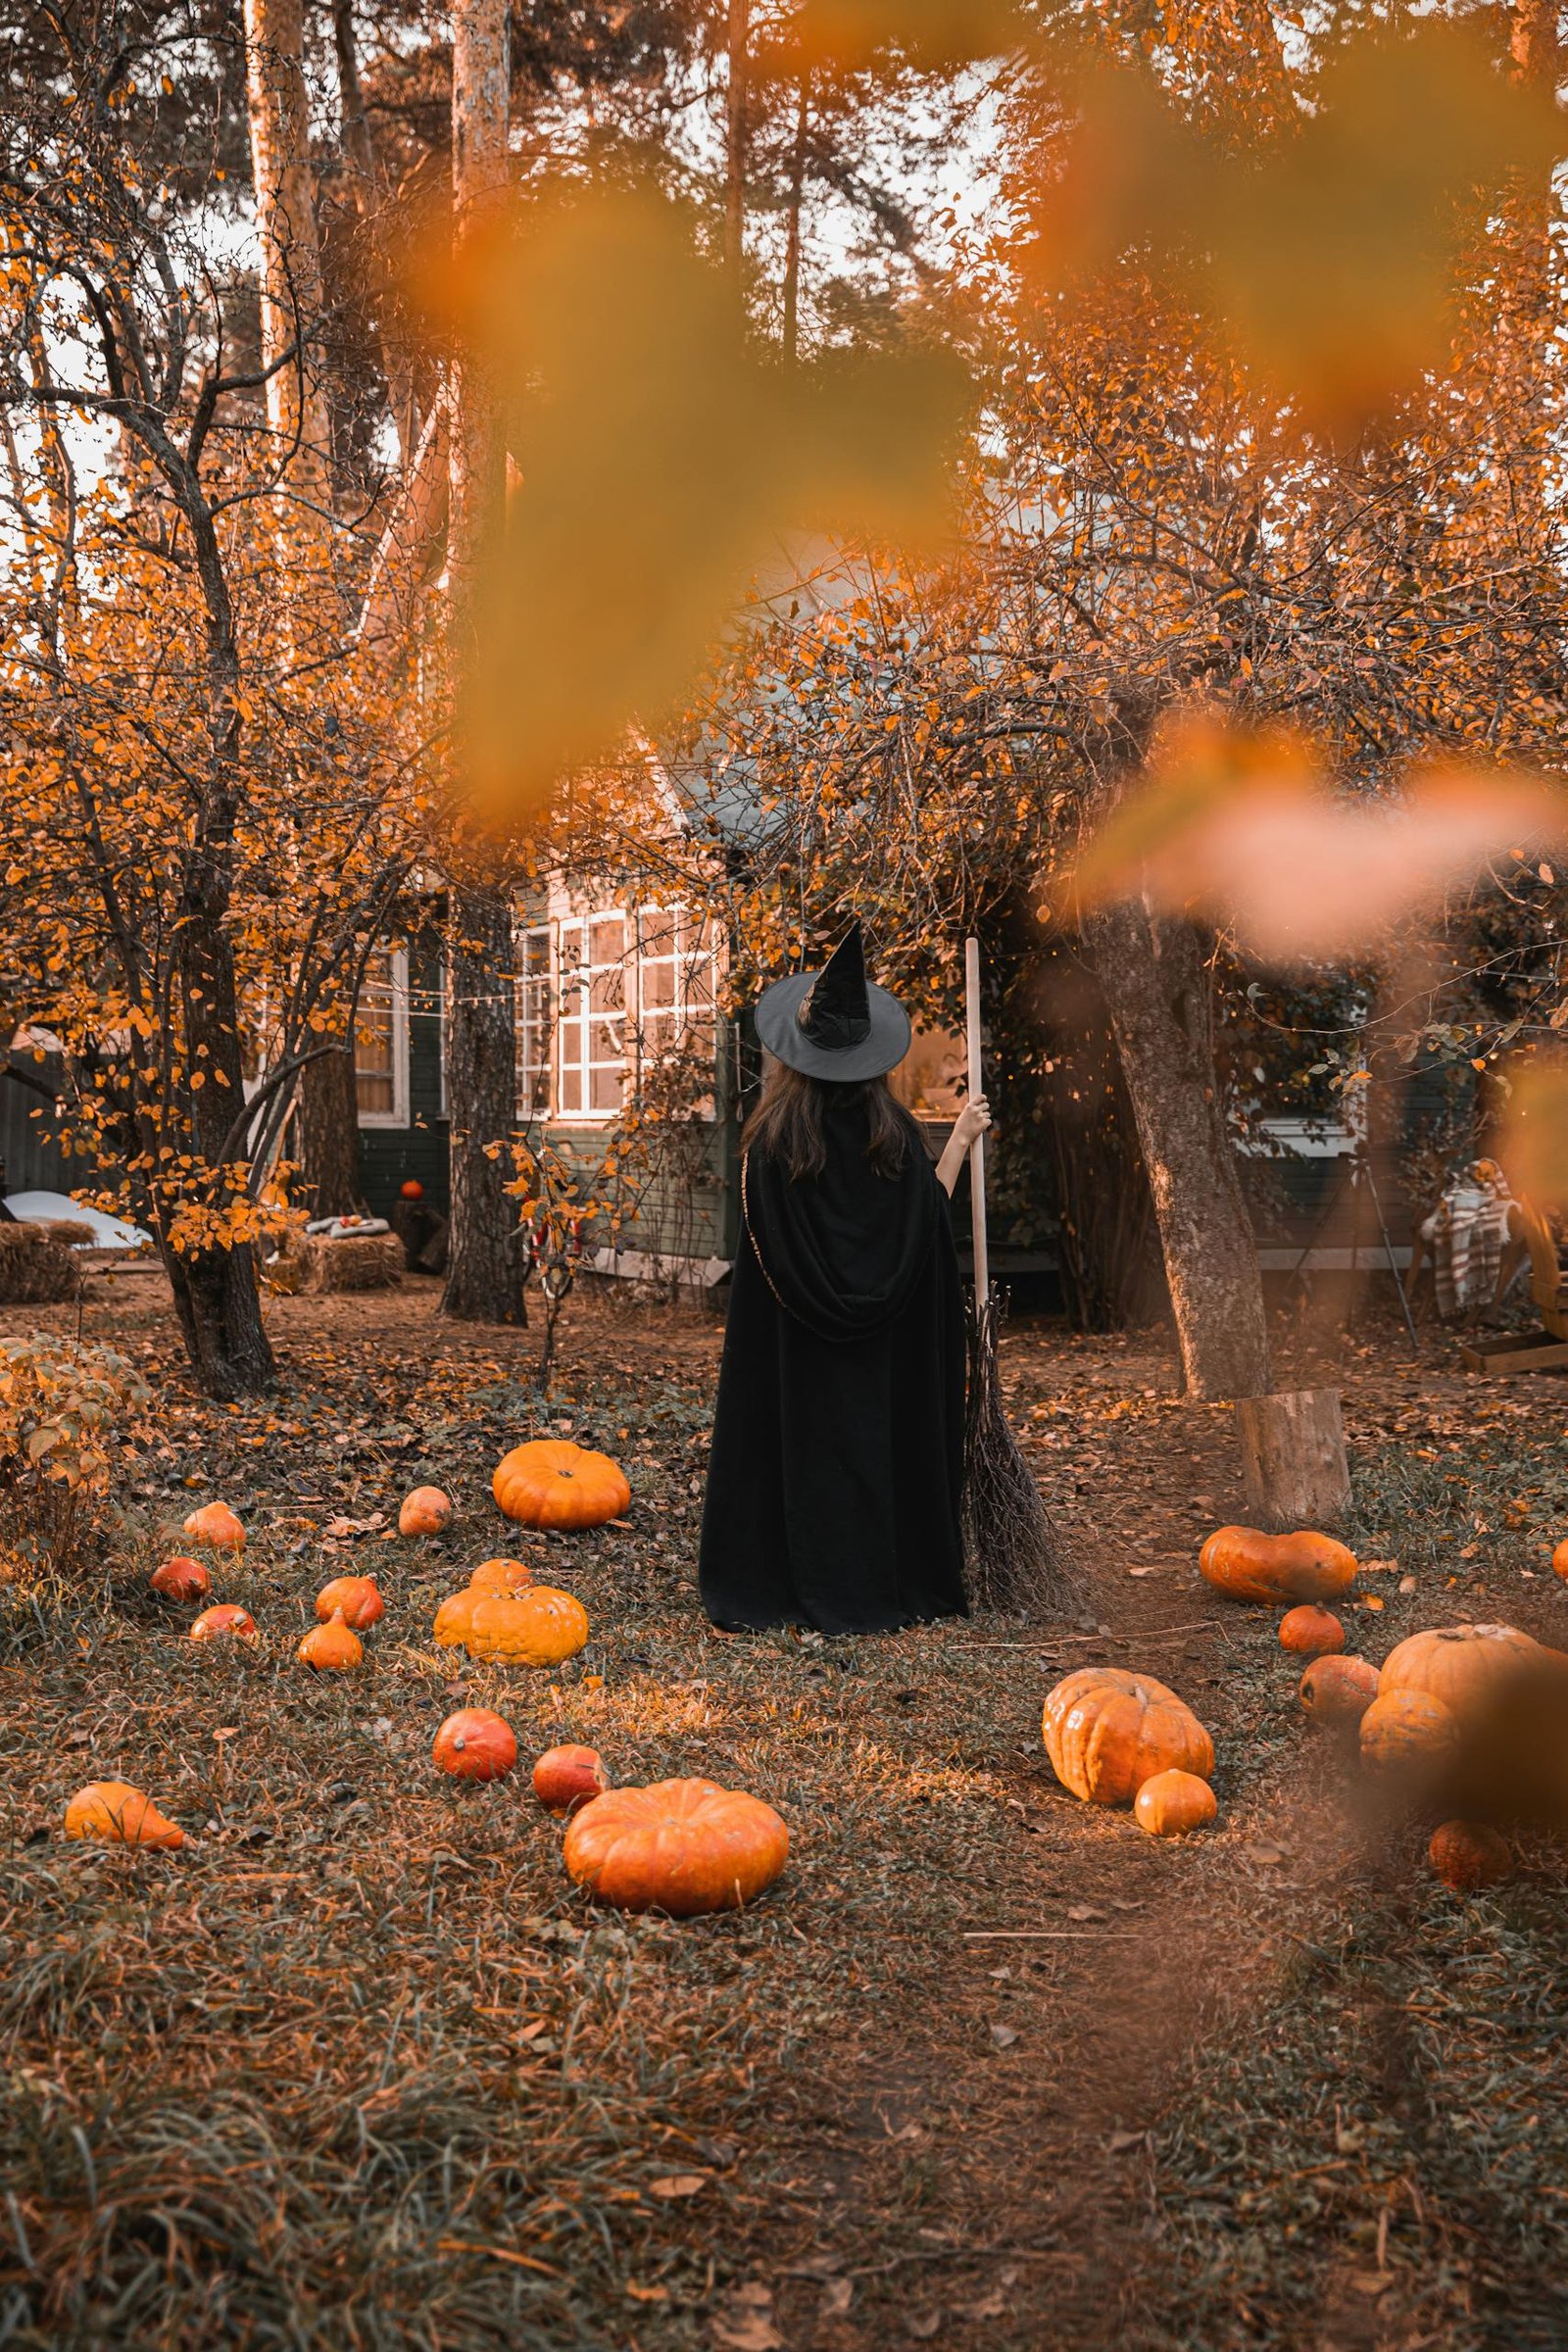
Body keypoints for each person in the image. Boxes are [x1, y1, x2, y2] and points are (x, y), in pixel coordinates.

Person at [699, 923, 991, 1637]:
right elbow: (923, 1226)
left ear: (796, 1057)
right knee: (873, 1447)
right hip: (883, 1358)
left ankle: (789, 1575)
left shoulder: (770, 1147)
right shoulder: (896, 1138)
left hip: (795, 1358)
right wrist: (957, 1140)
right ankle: (881, 1575)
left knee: (805, 1448)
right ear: (870, 1059)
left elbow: (767, 1263)